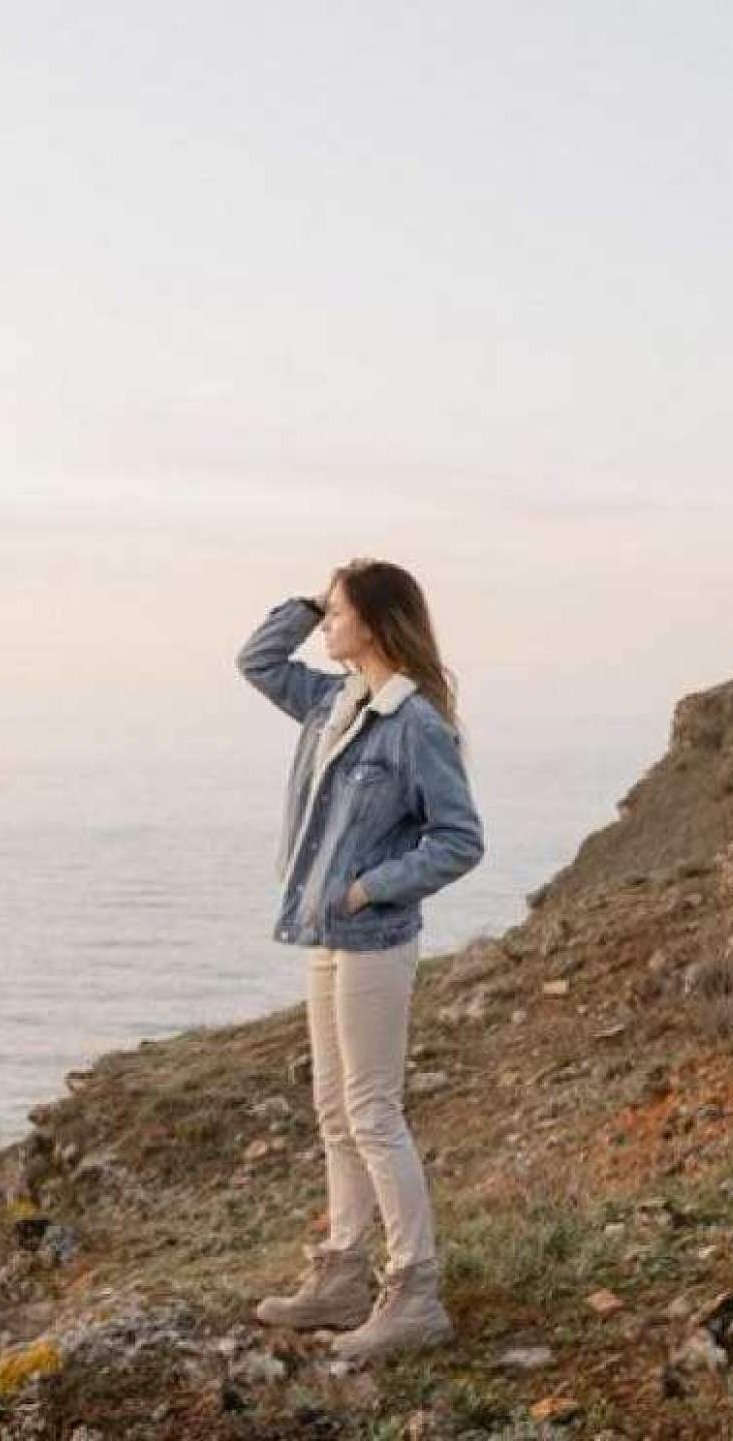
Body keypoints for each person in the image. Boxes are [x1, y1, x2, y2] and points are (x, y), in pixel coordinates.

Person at [232, 558, 485, 1361]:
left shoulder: (416, 725)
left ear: (372, 624)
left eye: (337, 613)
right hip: (324, 937)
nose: (326, 625)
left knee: (372, 1112)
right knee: (334, 1111)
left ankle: (415, 1291)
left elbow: (458, 840)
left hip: (373, 937)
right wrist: (312, 598)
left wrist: (367, 887)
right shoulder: (329, 703)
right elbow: (257, 661)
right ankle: (342, 1275)